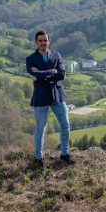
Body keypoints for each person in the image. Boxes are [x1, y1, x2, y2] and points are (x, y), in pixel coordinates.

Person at [26, 30, 74, 168]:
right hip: (41, 97)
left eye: (45, 40)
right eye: (40, 40)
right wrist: (51, 72)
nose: (42, 43)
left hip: (57, 95)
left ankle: (65, 154)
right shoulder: (30, 59)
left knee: (65, 125)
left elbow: (62, 75)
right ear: (36, 42)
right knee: (41, 129)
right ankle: (38, 158)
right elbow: (33, 75)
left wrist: (42, 75)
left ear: (49, 41)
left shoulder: (56, 55)